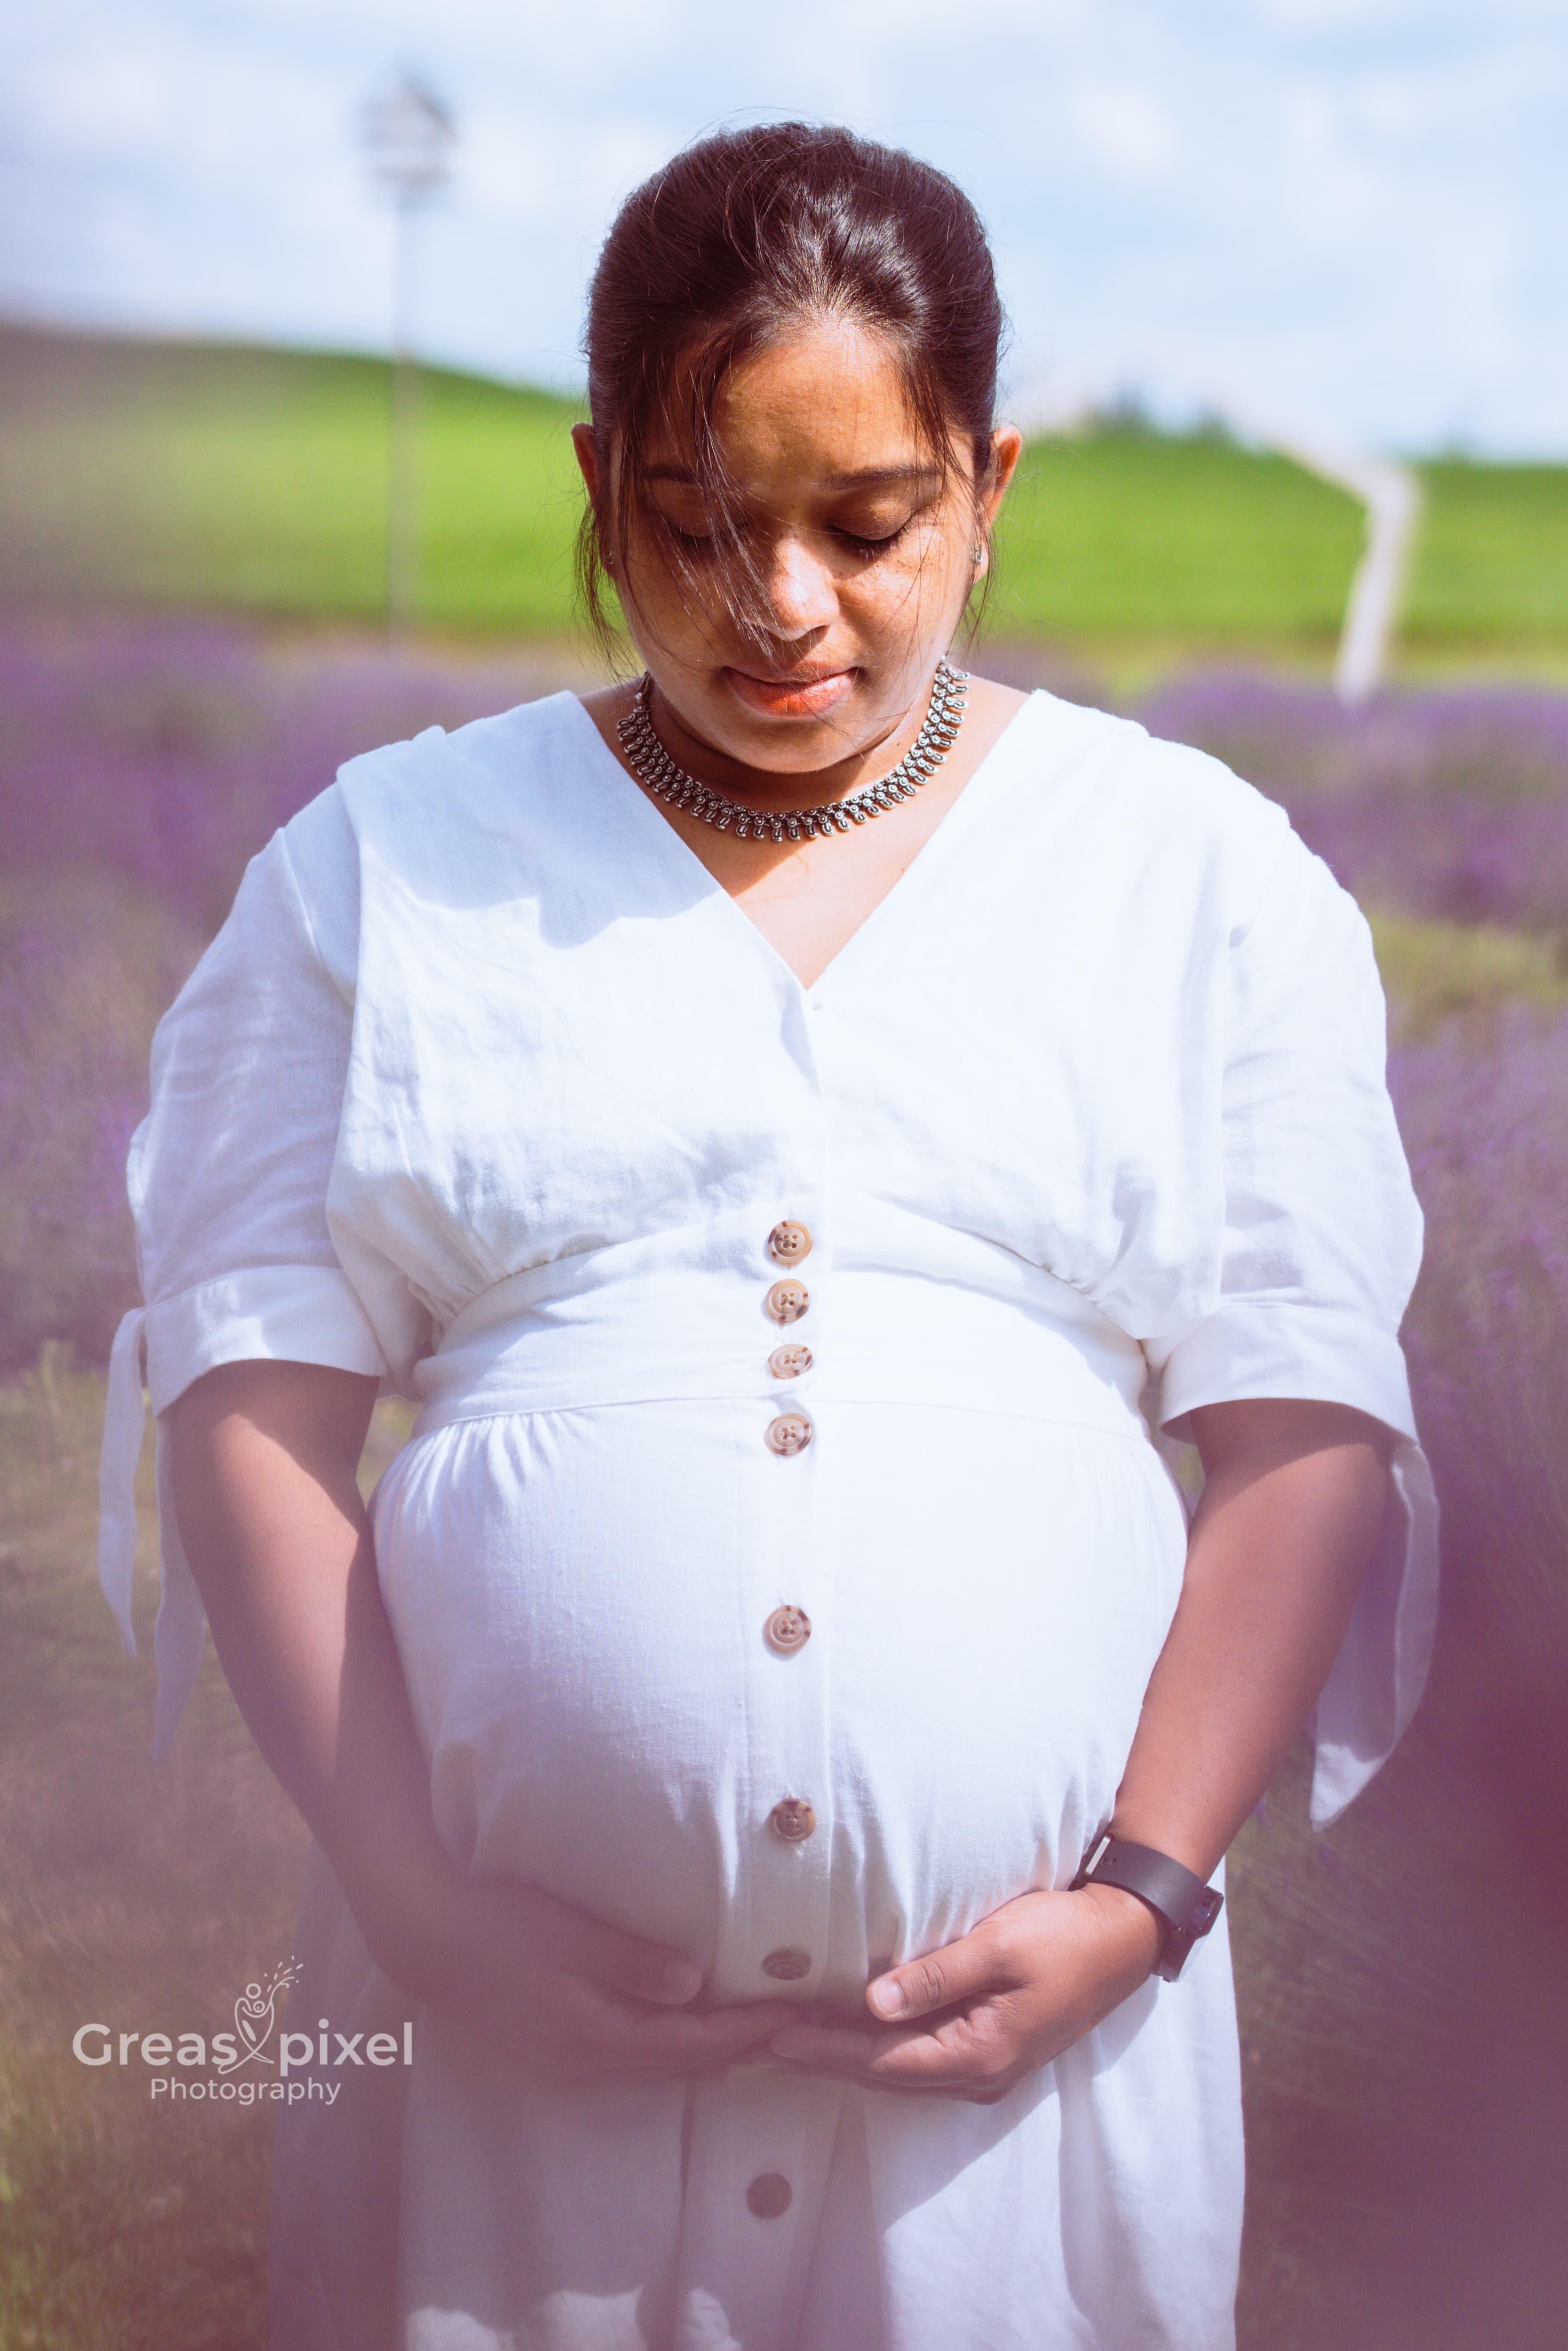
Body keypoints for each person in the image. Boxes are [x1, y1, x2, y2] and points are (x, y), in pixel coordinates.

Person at [97, 122, 1437, 2351]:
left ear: (989, 482)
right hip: (500, 2119)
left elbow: (1300, 1424)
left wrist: (1142, 1892)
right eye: (701, 526)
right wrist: (417, 1904)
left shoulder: (1202, 879)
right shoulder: (379, 868)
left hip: (1022, 2136)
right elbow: (249, 1395)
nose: (781, 603)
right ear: (597, 471)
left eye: (869, 525)